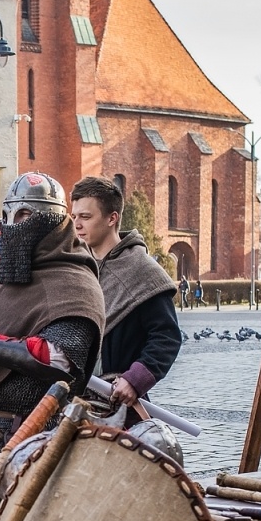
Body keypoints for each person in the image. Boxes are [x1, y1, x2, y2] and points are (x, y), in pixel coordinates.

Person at [0, 172, 105, 462]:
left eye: (25, 214)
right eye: (8, 214)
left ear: (53, 219)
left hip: (35, 435)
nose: (13, 224)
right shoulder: (9, 282)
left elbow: (58, 359)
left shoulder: (74, 282)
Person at [70, 177, 182, 422]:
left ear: (112, 218)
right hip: (73, 403)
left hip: (119, 404)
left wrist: (135, 380)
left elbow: (166, 337)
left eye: (85, 217)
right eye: (74, 216)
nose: (77, 225)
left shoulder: (142, 270)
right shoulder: (76, 266)